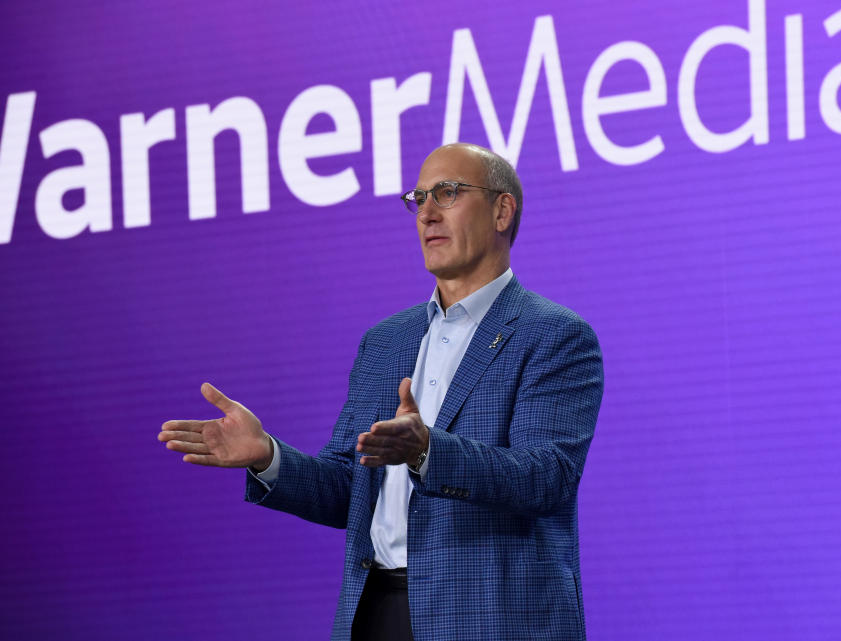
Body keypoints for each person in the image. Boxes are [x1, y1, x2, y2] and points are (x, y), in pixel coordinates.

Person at [158, 142, 604, 641]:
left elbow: (546, 478)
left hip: (490, 616)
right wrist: (268, 456)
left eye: (448, 193)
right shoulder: (385, 342)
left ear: (502, 210)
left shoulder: (554, 335)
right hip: (376, 613)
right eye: (418, 199)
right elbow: (349, 489)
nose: (427, 213)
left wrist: (428, 450)